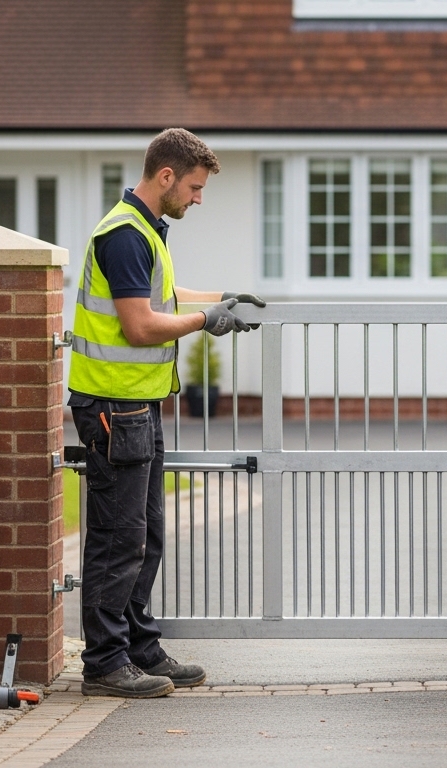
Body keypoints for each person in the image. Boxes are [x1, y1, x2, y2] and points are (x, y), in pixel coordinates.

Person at [68, 128, 264, 698]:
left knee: (147, 534)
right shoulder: (125, 236)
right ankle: (105, 664)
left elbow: (164, 303)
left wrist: (221, 302)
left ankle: (138, 647)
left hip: (137, 407)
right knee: (117, 538)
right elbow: (139, 325)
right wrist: (208, 323)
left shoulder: (146, 233)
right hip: (112, 407)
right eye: (196, 188)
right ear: (166, 177)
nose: (198, 199)